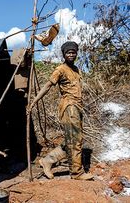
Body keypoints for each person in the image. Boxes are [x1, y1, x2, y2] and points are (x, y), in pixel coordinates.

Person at [27, 41, 93, 180]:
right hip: (69, 107)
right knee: (74, 140)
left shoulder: (76, 70)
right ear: (64, 54)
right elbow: (47, 86)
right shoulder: (60, 69)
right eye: (68, 52)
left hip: (78, 107)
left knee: (73, 139)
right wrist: (34, 101)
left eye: (73, 52)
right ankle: (77, 173)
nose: (71, 54)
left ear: (76, 54)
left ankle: (47, 160)